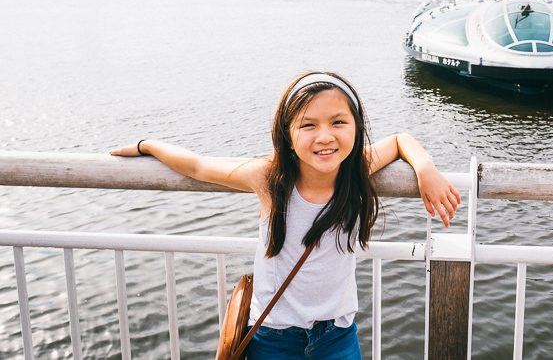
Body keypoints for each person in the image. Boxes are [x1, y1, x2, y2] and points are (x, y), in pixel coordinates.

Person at [109, 71, 461, 359]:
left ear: (356, 126)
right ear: (288, 137)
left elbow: (401, 140)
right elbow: (197, 166)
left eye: (338, 121)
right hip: (274, 339)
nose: (325, 136)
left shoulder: (355, 172)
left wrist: (426, 169)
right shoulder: (269, 179)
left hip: (336, 338)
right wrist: (147, 145)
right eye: (308, 126)